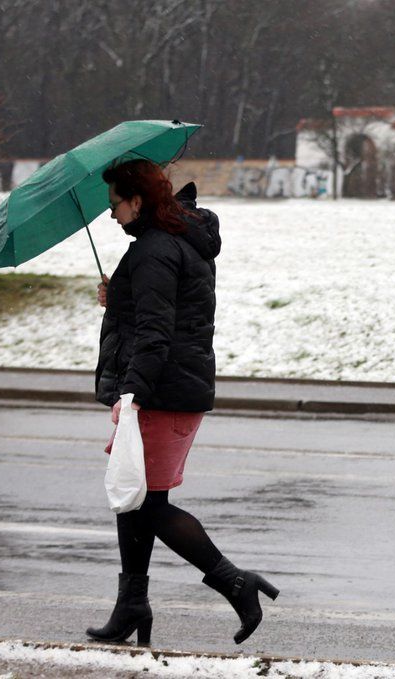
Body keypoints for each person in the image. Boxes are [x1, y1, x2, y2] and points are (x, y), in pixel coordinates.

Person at [87, 159, 278, 646]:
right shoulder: (179, 238)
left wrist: (131, 393)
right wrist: (121, 297)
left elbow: (156, 333)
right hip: (177, 387)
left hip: (162, 391)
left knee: (145, 504)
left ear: (137, 200)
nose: (110, 215)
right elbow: (170, 309)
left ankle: (235, 582)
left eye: (114, 205)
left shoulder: (153, 249)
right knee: (136, 501)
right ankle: (131, 604)